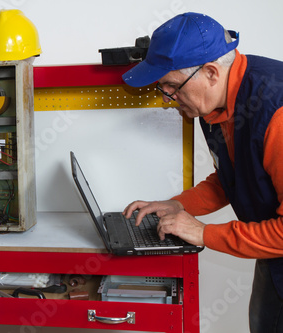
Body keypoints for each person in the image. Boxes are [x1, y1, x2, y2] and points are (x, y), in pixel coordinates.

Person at [121, 12, 283, 332]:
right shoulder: (214, 103)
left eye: (171, 87)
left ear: (210, 72)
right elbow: (232, 178)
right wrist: (178, 205)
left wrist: (203, 234)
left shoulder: (276, 113)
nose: (168, 100)